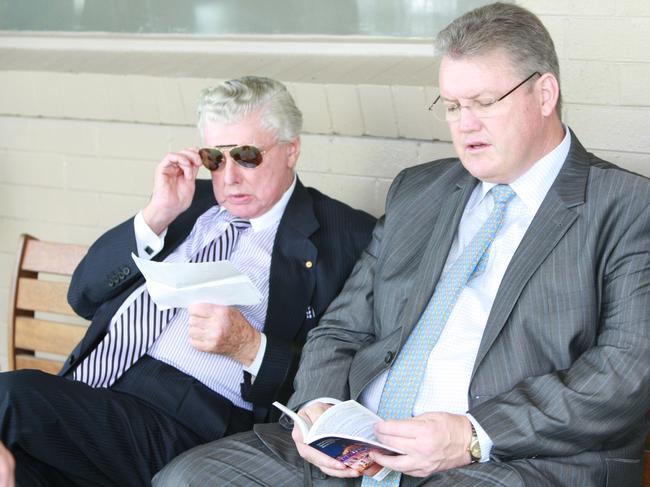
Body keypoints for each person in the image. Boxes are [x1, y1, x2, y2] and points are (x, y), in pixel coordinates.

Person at [153, 3, 650, 487]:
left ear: (544, 94)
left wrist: (474, 435)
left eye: (484, 102)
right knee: (186, 478)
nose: (465, 123)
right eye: (452, 106)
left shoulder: (627, 206)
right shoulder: (419, 192)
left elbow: (625, 373)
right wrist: (317, 409)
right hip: (358, 452)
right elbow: (342, 326)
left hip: (507, 461)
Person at [0, 76, 376, 486]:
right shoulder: (186, 202)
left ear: (291, 150)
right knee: (19, 473)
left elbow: (348, 364)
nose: (229, 177)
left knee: (10, 396)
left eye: (247, 156)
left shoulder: (343, 235)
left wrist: (251, 347)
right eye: (215, 158)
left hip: (192, 420)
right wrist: (155, 214)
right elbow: (82, 295)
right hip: (98, 393)